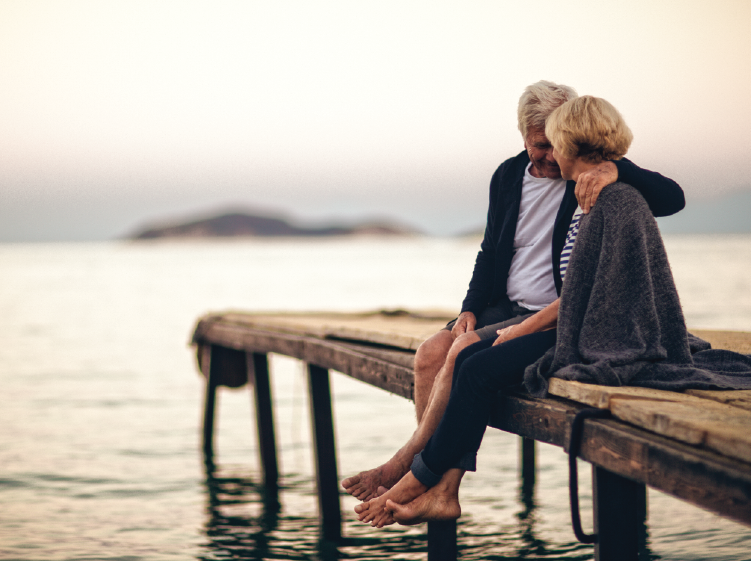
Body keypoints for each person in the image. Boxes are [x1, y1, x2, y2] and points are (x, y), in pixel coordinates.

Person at [355, 95, 751, 528]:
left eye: (555, 144)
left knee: (471, 363)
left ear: (572, 143)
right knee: (443, 352)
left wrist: (616, 168)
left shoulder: (606, 194)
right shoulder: (517, 177)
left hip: (580, 330)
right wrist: (477, 311)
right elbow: (502, 254)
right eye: (538, 144)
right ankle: (426, 481)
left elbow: (596, 282)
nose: (549, 155)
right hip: (551, 317)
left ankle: (417, 480)